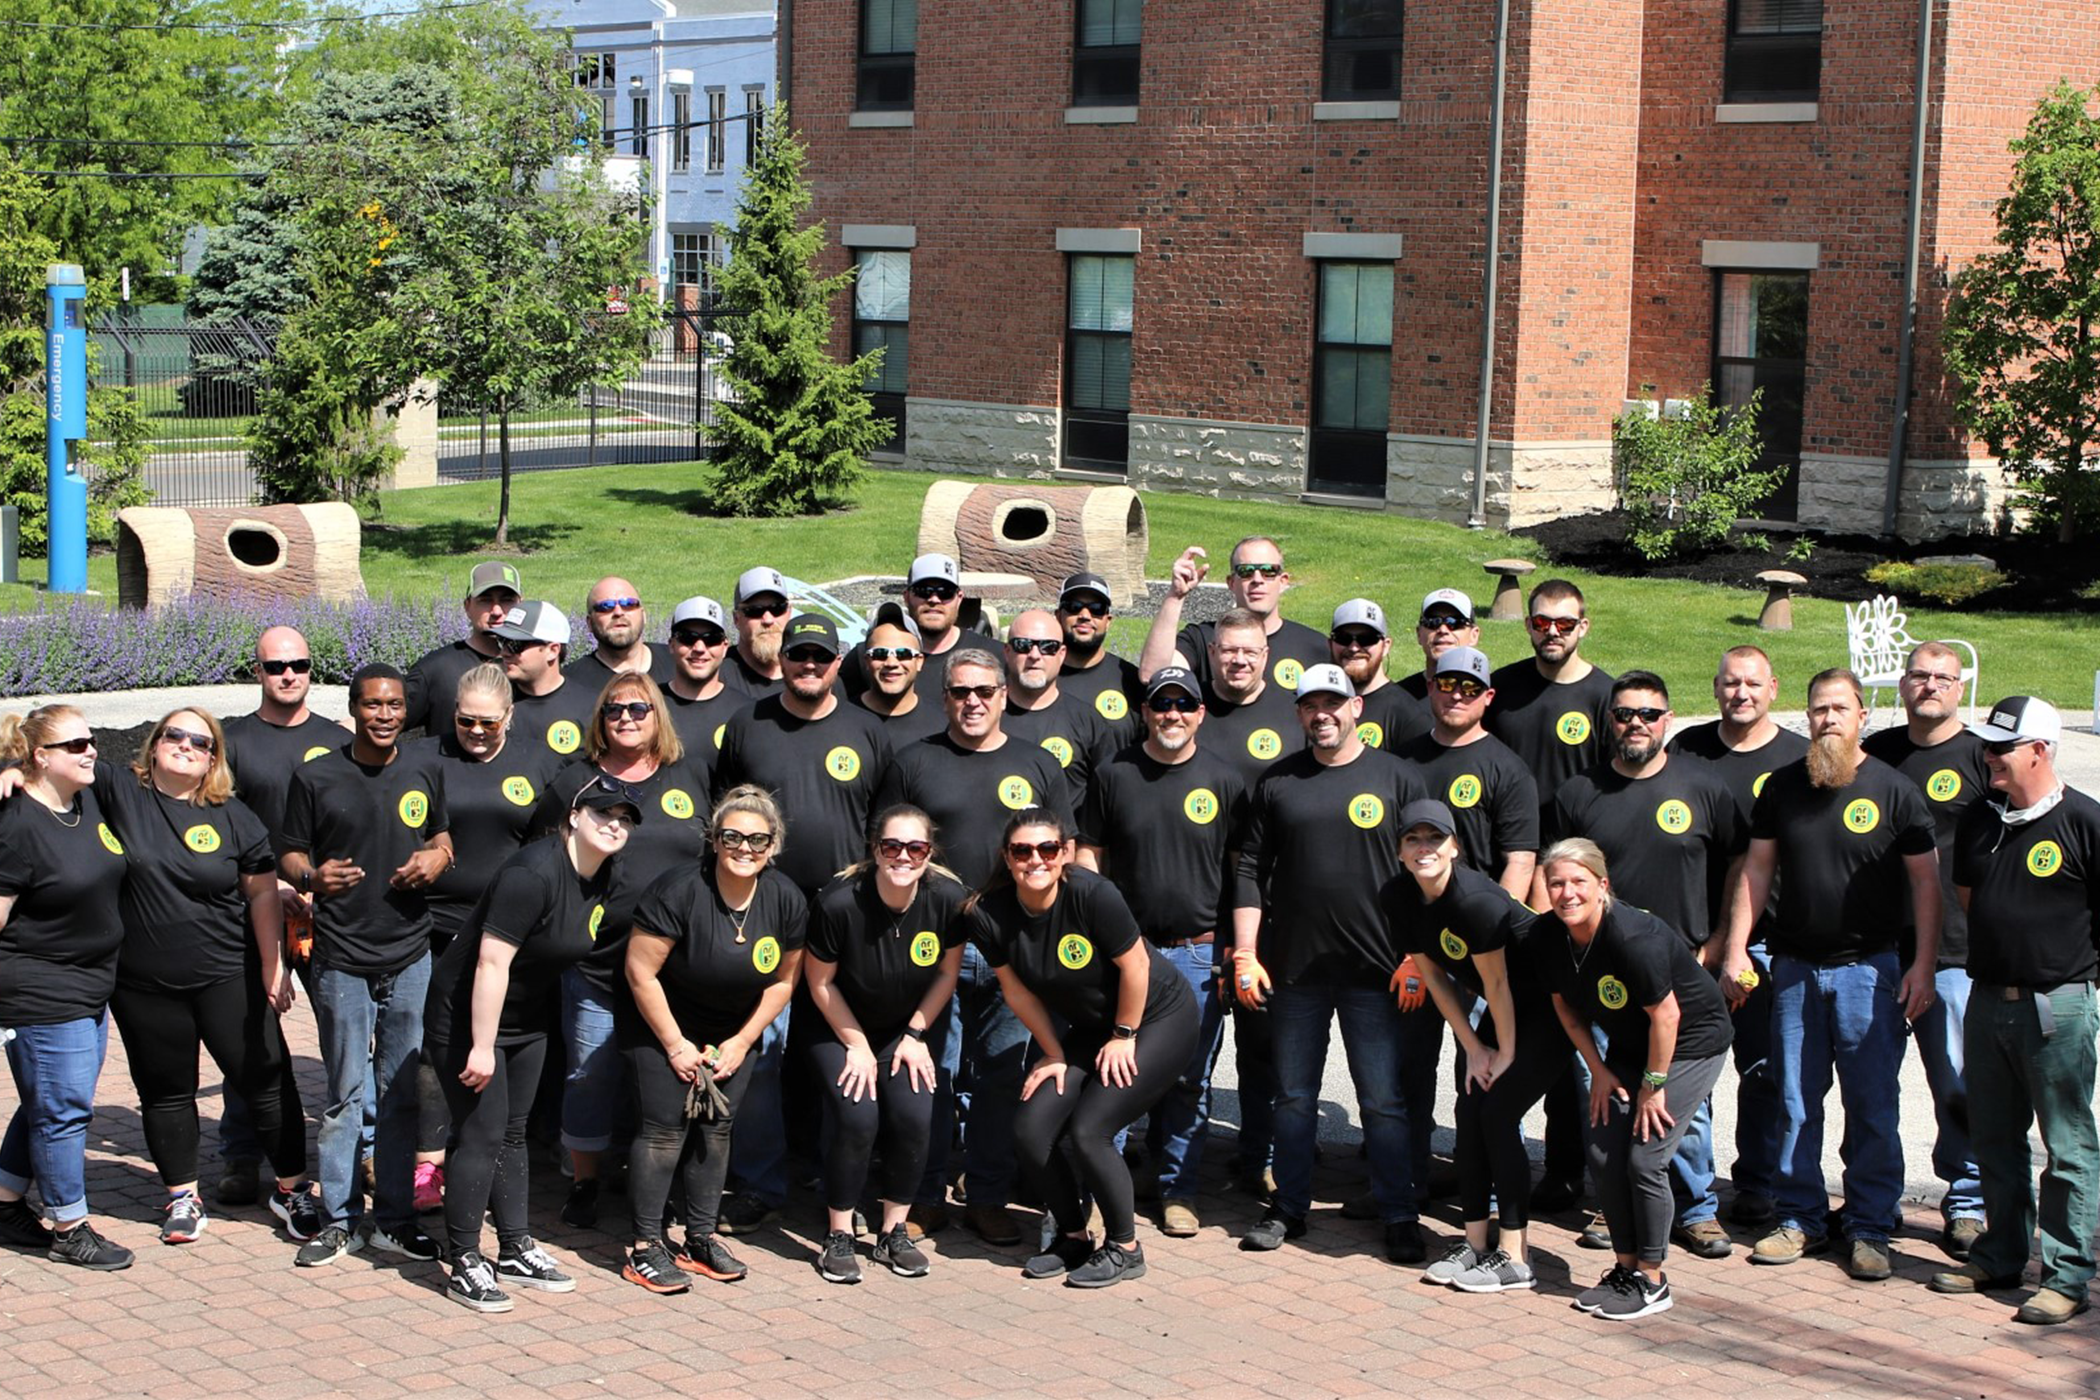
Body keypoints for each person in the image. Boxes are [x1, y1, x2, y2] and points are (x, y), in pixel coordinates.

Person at [61, 709, 315, 1247]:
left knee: (267, 1082)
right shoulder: (120, 791)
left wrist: (275, 969)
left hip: (229, 975)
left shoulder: (235, 816)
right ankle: (182, 1197)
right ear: (153, 744)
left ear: (212, 761)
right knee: (165, 1092)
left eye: (200, 743)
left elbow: (264, 894)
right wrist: (14, 772)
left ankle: (292, 1191)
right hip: (143, 983)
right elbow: (62, 761)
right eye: (173, 735)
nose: (185, 746)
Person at [1719, 668, 1940, 1282]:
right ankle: (1800, 1220)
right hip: (1792, 969)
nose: (1829, 719)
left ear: (1862, 715)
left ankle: (1870, 1225)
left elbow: (1926, 884)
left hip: (1870, 970)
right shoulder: (1784, 787)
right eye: (1819, 709)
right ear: (1806, 716)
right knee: (1793, 1101)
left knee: (1872, 1104)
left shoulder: (1895, 791)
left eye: (1841, 708)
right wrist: (1737, 949)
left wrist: (1922, 965)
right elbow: (1756, 873)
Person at [873, 648, 1074, 1245]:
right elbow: (888, 854)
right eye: (961, 692)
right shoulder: (913, 763)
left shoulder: (1038, 765)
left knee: (1000, 1077)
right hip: (934, 950)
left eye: (985, 690)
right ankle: (926, 1194)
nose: (973, 702)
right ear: (944, 699)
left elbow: (1064, 857)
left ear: (1004, 695)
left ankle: (987, 1196)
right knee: (927, 1072)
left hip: (1018, 950)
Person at [1232, 663, 1429, 1262]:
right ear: (1299, 714)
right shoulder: (1277, 783)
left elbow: (1428, 872)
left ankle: (1398, 1211)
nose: (1323, 714)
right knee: (1292, 1096)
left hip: (1378, 973)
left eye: (1334, 703)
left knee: (1383, 1101)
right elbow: (1247, 871)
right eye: (1310, 705)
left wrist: (1418, 954)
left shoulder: (1398, 778)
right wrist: (1245, 951)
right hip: (1295, 973)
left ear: (1356, 709)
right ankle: (1288, 1206)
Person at [1544, 670, 1743, 1259]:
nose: (1637, 723)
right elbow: (1552, 877)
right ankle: (1615, 1202)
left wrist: (1719, 944)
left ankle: (1698, 1209)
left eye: (1649, 714)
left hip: (1679, 968)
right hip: (1600, 977)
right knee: (1603, 1091)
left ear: (1668, 719)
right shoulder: (1580, 793)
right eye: (1625, 713)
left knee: (1686, 1106)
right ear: (1611, 721)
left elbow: (1737, 868)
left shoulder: (1703, 786)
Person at [422, 777, 640, 1312]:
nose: (613, 824)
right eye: (601, 812)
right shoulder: (533, 873)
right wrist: (479, 1045)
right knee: (482, 1132)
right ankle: (465, 1259)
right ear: (573, 815)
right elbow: (491, 963)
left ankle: (515, 1245)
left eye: (624, 818)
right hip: (471, 1014)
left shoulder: (603, 874)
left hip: (528, 1015)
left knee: (515, 1132)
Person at [712, 615, 894, 1232]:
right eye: (798, 655)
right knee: (762, 1054)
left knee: (842, 1052)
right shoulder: (748, 724)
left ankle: (835, 1175)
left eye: (820, 656)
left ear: (839, 661)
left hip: (846, 921)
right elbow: (723, 816)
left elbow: (884, 831)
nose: (808, 666)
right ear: (780, 658)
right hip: (763, 914)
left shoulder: (868, 731)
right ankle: (761, 1181)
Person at [977, 809, 1200, 1288]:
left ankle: (1125, 1247)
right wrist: (1054, 1051)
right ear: (1007, 857)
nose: (1035, 859)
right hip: (1093, 1026)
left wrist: (1124, 1035)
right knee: (1032, 1129)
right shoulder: (990, 914)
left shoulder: (1093, 894)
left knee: (1090, 1130)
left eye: (1047, 849)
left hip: (1158, 1016)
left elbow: (1136, 966)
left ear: (1066, 854)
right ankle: (1073, 1236)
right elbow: (1017, 993)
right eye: (1022, 850)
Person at [281, 664, 455, 1267]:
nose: (385, 715)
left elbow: (442, 836)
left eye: (395, 706)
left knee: (403, 1090)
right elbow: (289, 851)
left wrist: (436, 860)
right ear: (353, 708)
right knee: (344, 1094)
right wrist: (310, 876)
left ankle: (396, 1220)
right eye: (374, 705)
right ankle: (339, 1218)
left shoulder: (424, 767)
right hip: (341, 956)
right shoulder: (317, 775)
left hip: (410, 952)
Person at [1934, 697, 2100, 1326]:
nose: (1989, 757)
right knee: (1995, 1138)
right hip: (1987, 999)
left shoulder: (2086, 822)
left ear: (2040, 750)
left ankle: (2066, 1274)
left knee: (2067, 1143)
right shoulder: (1982, 818)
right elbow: (1972, 897)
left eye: (2002, 748)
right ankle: (2001, 1253)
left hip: (2057, 1006)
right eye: (1986, 746)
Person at [1077, 666, 1251, 1237]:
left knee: (1188, 1080)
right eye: (1160, 704)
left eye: (1183, 704)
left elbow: (1241, 873)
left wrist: (1234, 950)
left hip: (1197, 955)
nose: (1171, 714)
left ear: (1201, 713)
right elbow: (1090, 858)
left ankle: (1179, 1188)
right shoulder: (1113, 774)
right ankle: (1110, 1186)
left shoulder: (1227, 780)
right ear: (1145, 712)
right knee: (1115, 1069)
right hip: (1125, 955)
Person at [538, 671, 712, 1230]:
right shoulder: (577, 781)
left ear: (657, 714)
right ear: (601, 718)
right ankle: (586, 1180)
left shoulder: (690, 773)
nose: (627, 719)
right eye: (615, 710)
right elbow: (545, 859)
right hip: (598, 961)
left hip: (676, 968)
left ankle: (674, 1186)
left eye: (639, 709)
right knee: (589, 1077)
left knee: (671, 1078)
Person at [620, 786, 805, 1293]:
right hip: (661, 1023)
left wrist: (743, 1041)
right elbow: (640, 971)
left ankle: (699, 1237)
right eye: (732, 837)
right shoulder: (678, 890)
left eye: (757, 840)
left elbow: (785, 980)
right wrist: (676, 1044)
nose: (745, 848)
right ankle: (644, 1247)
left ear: (773, 846)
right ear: (714, 839)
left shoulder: (785, 897)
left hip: (731, 1032)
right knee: (664, 1132)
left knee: (716, 1128)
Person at [1541, 840, 1735, 1321]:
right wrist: (1601, 1069)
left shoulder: (1634, 936)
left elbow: (1667, 1016)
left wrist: (1652, 1085)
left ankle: (1652, 1279)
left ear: (1602, 886)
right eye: (1557, 883)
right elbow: (1564, 1008)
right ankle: (1625, 1268)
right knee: (1605, 1152)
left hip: (1690, 1043)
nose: (1567, 893)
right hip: (1630, 1044)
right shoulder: (1553, 936)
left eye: (1578, 882)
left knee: (1646, 1157)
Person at [1382, 800, 1563, 1293]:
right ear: (1399, 850)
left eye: (1435, 839)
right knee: (1470, 1110)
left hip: (1551, 1008)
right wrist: (1472, 1047)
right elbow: (1435, 977)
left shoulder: (1476, 901)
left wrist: (1501, 1053)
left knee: (1498, 1113)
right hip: (1500, 1009)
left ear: (1455, 847)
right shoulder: (1398, 897)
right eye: (1413, 839)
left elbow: (1500, 984)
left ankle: (1515, 1256)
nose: (1425, 848)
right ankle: (1475, 1242)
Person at [1390, 644, 1538, 1218]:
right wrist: (1409, 951)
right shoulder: (1403, 764)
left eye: (1469, 687)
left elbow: (1519, 862)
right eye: (1446, 684)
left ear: (1488, 697)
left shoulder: (1507, 768)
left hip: (1481, 954)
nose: (1456, 694)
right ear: (1430, 687)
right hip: (1417, 948)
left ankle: (1492, 1191)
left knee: (1479, 1077)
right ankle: (1409, 1183)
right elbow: (1394, 858)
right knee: (1408, 1072)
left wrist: (1486, 947)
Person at [409, 664, 563, 1211]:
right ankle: (429, 1163)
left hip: (507, 934)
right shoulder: (426, 756)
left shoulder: (539, 761)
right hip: (433, 926)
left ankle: (489, 1153)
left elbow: (552, 843)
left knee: (495, 1048)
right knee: (434, 1049)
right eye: (465, 720)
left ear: (510, 717)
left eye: (488, 723)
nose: (475, 731)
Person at [1862, 641, 1991, 1259]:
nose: (1930, 685)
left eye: (1943, 677)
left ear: (1960, 687)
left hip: (1957, 954)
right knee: (1871, 1086)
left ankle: (1968, 1201)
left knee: (1958, 1085)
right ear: (1903, 683)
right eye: (1920, 674)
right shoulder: (1877, 754)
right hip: (1879, 947)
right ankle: (1876, 1202)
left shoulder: (1983, 758)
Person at [1669, 644, 1806, 1227]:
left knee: (1763, 1072)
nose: (1740, 694)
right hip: (1696, 944)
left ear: (1773, 688)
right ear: (1716, 687)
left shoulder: (1801, 760)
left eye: (1751, 683)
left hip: (1774, 943)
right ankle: (1688, 1191)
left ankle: (1757, 1182)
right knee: (1691, 1074)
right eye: (1729, 683)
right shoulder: (1687, 751)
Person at [802, 807, 968, 1283]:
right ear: (875, 850)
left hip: (905, 1028)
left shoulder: (947, 899)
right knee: (858, 1115)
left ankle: (893, 1230)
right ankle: (838, 1233)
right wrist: (855, 1045)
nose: (902, 857)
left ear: (929, 853)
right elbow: (820, 985)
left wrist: (915, 1035)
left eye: (915, 848)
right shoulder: (838, 903)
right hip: (837, 1024)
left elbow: (946, 973)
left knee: (916, 1116)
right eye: (891, 846)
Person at [0, 707, 135, 1271]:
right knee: (63, 1112)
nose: (90, 751)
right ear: (41, 757)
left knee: (46, 1102)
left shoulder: (82, 802)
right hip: (41, 990)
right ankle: (69, 1226)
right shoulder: (16, 823)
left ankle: (5, 1203)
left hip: (88, 986)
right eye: (75, 743)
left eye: (92, 739)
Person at [216, 624, 344, 1205]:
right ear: (257, 672)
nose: (288, 674)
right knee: (250, 1036)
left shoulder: (338, 738)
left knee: (344, 1037)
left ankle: (357, 1154)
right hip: (255, 909)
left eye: (299, 663)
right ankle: (242, 1154)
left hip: (326, 913)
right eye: (275, 666)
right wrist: (270, 888)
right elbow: (218, 828)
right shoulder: (233, 741)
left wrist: (318, 886)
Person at [1484, 578, 1616, 807]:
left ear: (1582, 627)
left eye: (1565, 624)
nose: (1553, 631)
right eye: (1542, 622)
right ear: (1528, 625)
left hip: (1576, 836)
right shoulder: (1499, 687)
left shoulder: (1608, 696)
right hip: (1509, 833)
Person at [1140, 537, 1326, 694]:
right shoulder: (1203, 639)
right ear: (1231, 582)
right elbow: (1152, 675)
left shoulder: (1314, 646)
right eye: (1246, 572)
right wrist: (1175, 596)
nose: (1257, 580)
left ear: (1283, 581)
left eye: (1268, 571)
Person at [1001, 608, 1116, 813]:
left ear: (1061, 654)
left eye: (1047, 647)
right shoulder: (983, 715)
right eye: (1023, 645)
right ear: (1008, 652)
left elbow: (1107, 799)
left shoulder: (1088, 721)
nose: (1035, 655)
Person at [1194, 608, 1306, 795]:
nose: (1239, 660)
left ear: (1265, 655)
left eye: (1250, 652)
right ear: (1212, 652)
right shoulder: (1187, 710)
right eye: (1229, 650)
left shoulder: (1295, 713)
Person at [406, 561, 522, 733]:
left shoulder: (533, 669)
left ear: (521, 605)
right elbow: (379, 724)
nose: (497, 611)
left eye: (507, 600)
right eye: (485, 600)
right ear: (467, 606)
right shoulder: (435, 670)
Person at [1053, 571, 1143, 749]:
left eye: (1096, 609)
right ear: (1058, 616)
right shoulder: (1041, 677)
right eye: (1074, 606)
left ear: (1108, 621)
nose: (1085, 615)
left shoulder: (1130, 680)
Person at [495, 601, 595, 760]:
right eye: (502, 641)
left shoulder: (591, 708)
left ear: (552, 651)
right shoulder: (493, 702)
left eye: (516, 644)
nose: (504, 652)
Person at [1330, 599, 1429, 752]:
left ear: (1386, 646)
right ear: (1330, 644)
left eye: (1367, 638)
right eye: (1344, 637)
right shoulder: (1317, 707)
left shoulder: (1407, 715)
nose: (1354, 647)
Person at [661, 596, 747, 763]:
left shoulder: (744, 712)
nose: (699, 648)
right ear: (671, 645)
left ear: (724, 647)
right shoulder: (649, 705)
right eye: (688, 638)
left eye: (711, 639)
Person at [849, 608, 946, 743]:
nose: (891, 663)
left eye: (903, 653)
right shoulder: (841, 720)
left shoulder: (943, 725)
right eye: (880, 653)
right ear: (867, 661)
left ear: (919, 661)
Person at [567, 577, 675, 693]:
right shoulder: (572, 682)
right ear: (589, 623)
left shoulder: (677, 663)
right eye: (606, 607)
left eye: (629, 604)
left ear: (643, 616)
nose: (618, 613)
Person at [1398, 588, 1479, 701]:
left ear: (1473, 635)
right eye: (1433, 621)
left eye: (1455, 622)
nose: (1442, 629)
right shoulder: (1400, 697)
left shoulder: (1489, 697)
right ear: (1419, 634)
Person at [723, 567, 791, 699]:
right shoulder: (719, 678)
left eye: (777, 609)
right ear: (736, 619)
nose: (768, 620)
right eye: (755, 611)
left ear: (789, 612)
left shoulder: (811, 671)